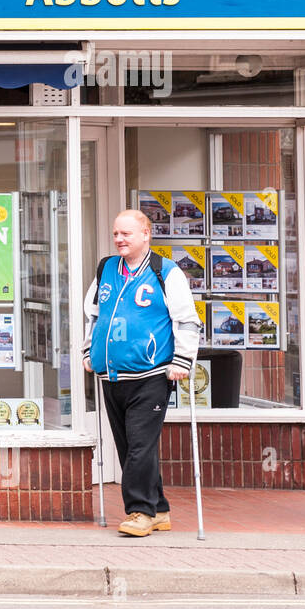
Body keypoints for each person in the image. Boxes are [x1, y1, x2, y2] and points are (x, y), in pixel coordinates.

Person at [84, 209, 202, 537]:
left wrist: (182, 361)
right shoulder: (106, 268)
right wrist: (87, 351)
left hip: (151, 375)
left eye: (127, 234)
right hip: (111, 375)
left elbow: (188, 320)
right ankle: (159, 508)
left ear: (145, 234)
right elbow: (92, 315)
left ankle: (139, 511)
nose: (120, 239)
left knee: (139, 445)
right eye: (116, 234)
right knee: (128, 446)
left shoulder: (165, 271)